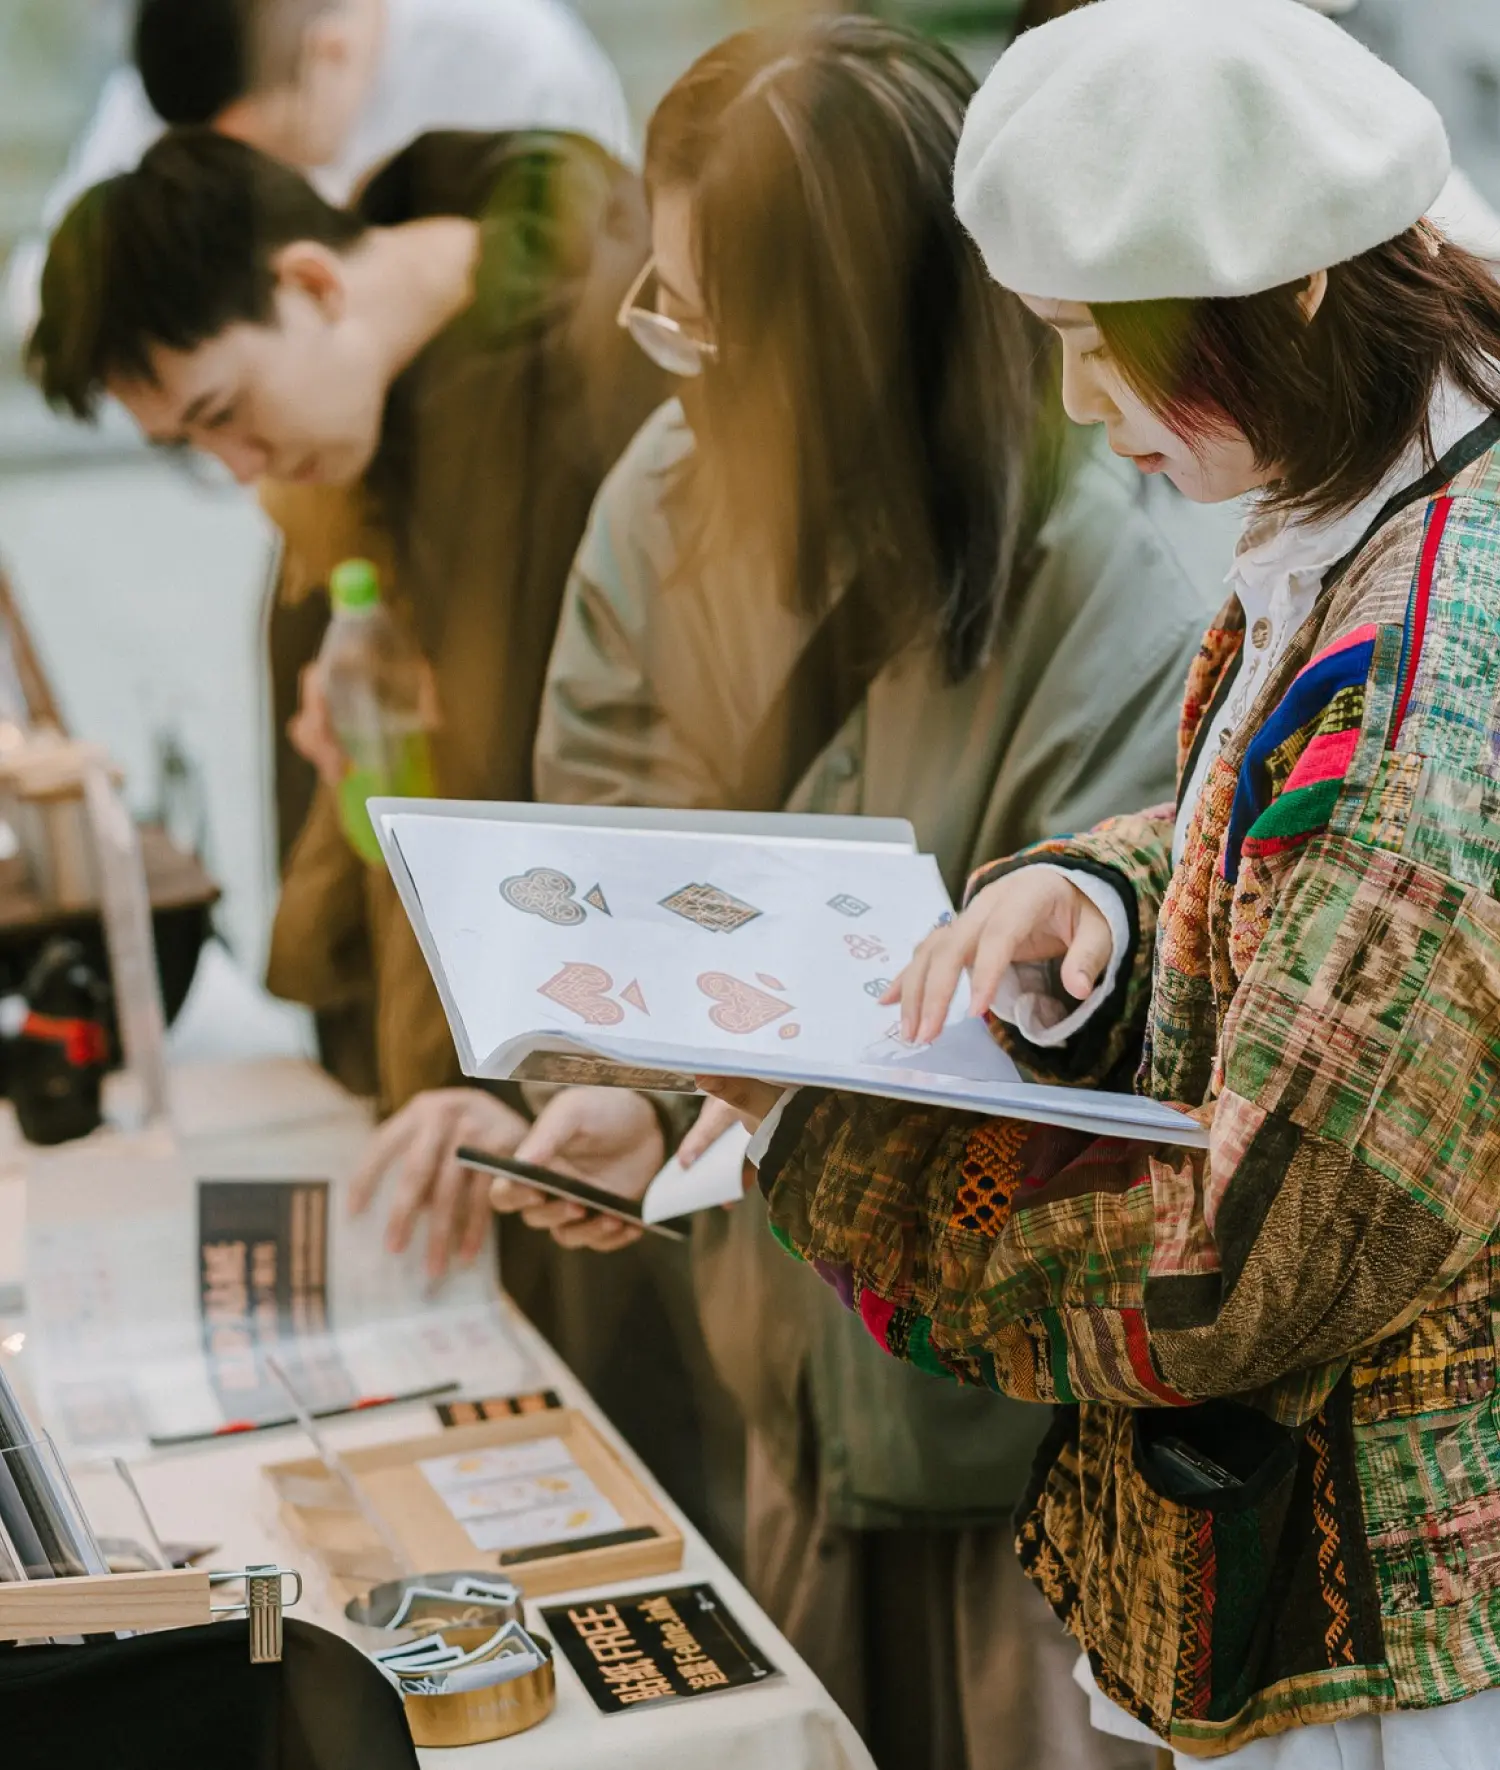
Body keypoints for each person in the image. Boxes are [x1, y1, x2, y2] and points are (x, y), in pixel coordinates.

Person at [353, 20, 1227, 1768]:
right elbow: (607, 852)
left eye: (697, 320)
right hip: (789, 1381)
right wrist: (622, 1093)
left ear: (831, 351)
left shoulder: (1122, 595)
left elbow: (1068, 1067)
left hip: (1030, 1450)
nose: (667, 359)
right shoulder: (665, 505)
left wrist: (748, 1118)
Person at [705, 1, 1500, 1764]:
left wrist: (816, 1132)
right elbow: (1298, 848)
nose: (1077, 401)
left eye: (1102, 338)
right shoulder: (1385, 487)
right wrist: (1109, 895)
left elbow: (1252, 1258)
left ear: (1291, 286)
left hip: (1400, 1628)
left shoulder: (1447, 664)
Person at [27, 124, 663, 1113]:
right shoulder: (342, 457)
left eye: (224, 410)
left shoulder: (615, 360)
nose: (242, 468)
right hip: (461, 1059)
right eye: (192, 444)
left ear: (314, 283)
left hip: (633, 1045)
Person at [4, 0, 631, 339]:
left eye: (270, 145)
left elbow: (614, 271)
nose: (256, 177)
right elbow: (43, 295)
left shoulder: (519, 59)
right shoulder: (181, 77)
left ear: (330, 53)